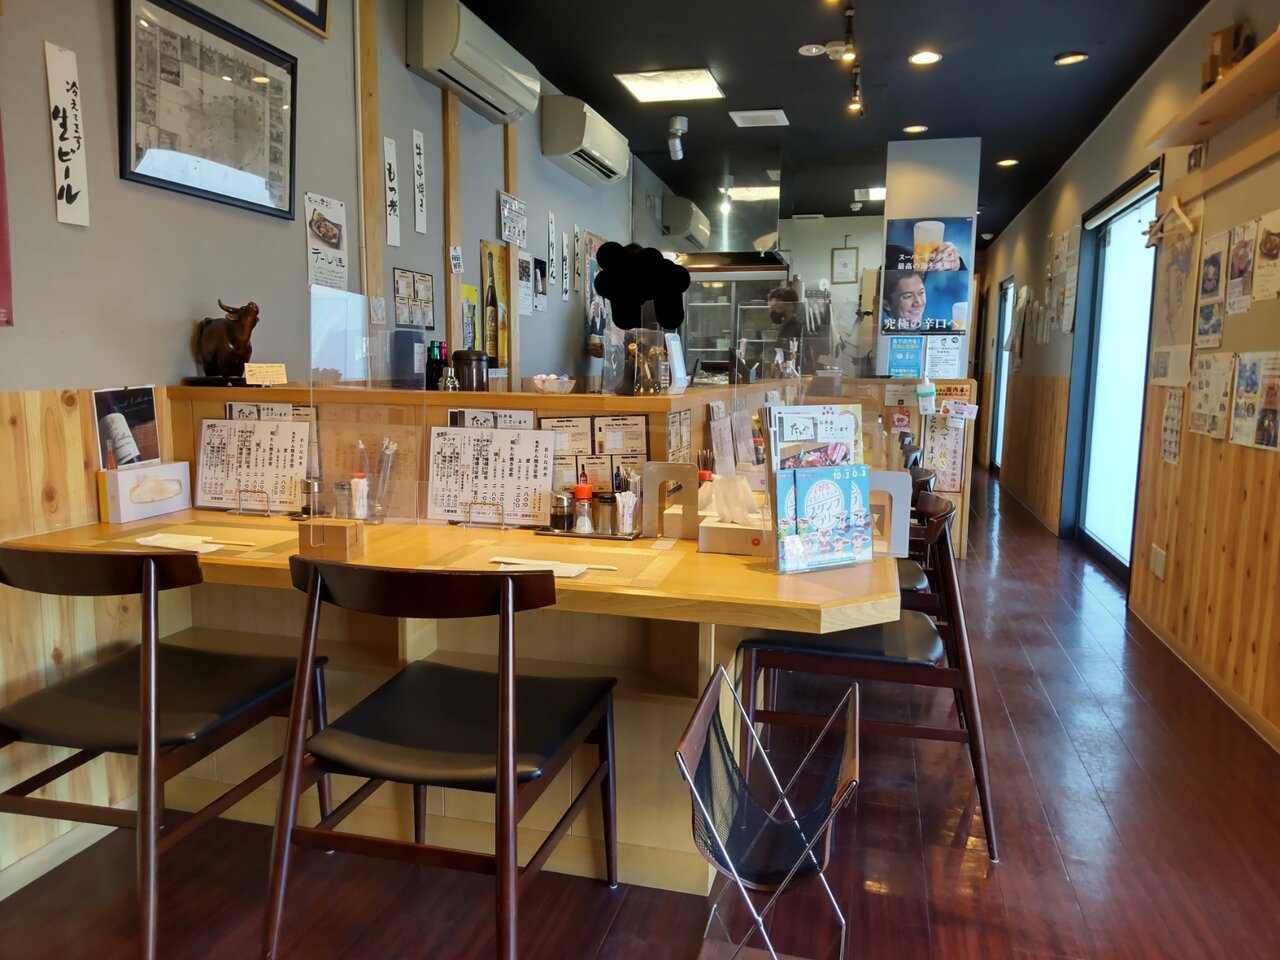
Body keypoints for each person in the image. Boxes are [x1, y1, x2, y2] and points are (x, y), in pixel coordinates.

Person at [768, 286, 819, 374]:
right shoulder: (786, 323)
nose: (773, 307)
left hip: (796, 370)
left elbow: (796, 353)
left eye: (777, 303)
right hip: (788, 368)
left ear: (790, 305)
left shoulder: (796, 325)